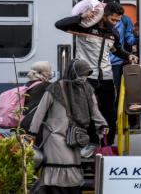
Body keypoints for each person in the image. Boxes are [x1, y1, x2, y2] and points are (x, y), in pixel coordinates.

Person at [55, 2, 138, 146]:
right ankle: (91, 142)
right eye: (113, 20)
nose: (115, 23)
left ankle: (109, 144)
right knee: (88, 110)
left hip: (106, 76)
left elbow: (117, 50)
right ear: (103, 15)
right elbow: (59, 24)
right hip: (87, 77)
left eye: (118, 21)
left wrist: (128, 56)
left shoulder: (113, 33)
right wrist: (81, 17)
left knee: (109, 112)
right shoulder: (84, 26)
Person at [28, 59, 108, 194]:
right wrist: (32, 133)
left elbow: (94, 110)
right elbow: (40, 112)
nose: (84, 78)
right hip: (56, 137)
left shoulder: (86, 88)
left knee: (68, 172)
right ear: (74, 72)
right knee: (63, 172)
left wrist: (102, 124)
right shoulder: (55, 88)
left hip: (74, 138)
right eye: (82, 74)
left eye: (86, 75)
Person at [20, 61, 53, 133]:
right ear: (46, 72)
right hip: (36, 128)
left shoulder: (27, 85)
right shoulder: (47, 86)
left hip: (22, 124)